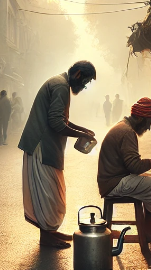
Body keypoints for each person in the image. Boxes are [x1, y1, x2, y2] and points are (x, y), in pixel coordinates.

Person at [19, 61, 97, 248]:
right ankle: (46, 236)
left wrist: (81, 130)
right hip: (41, 146)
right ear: (77, 74)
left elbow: (62, 120)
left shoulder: (61, 83)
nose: (84, 86)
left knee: (51, 191)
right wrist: (80, 134)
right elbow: (56, 123)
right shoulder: (61, 86)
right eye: (85, 81)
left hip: (46, 146)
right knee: (47, 192)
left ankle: (50, 231)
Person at [97, 98, 151, 242]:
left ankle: (148, 227)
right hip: (113, 183)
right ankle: (147, 229)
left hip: (115, 179)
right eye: (149, 123)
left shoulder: (123, 126)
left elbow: (133, 166)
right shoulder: (127, 132)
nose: (149, 128)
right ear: (140, 118)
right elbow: (135, 166)